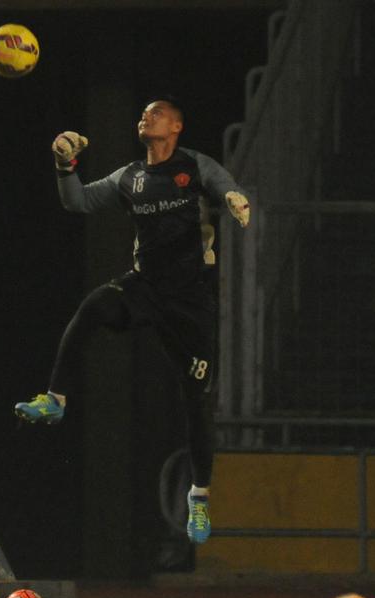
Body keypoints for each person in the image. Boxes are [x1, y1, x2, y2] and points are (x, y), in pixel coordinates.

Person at [13, 97, 251, 545]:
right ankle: (55, 399)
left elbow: (223, 184)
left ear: (177, 125)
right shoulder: (130, 177)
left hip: (191, 302)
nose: (146, 117)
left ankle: (198, 495)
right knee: (93, 308)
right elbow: (78, 202)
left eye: (156, 113)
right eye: (143, 113)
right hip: (145, 289)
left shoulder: (194, 166)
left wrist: (234, 197)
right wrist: (64, 166)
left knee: (196, 402)